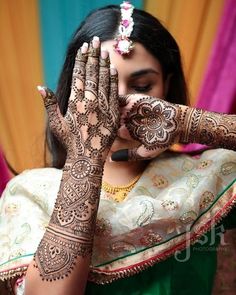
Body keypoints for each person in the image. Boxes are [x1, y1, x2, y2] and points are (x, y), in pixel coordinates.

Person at [0, 2, 235, 295]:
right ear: (75, 93)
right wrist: (85, 158)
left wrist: (192, 122)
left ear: (167, 85)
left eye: (143, 86)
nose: (122, 103)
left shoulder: (209, 177)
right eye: (102, 87)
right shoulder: (32, 193)